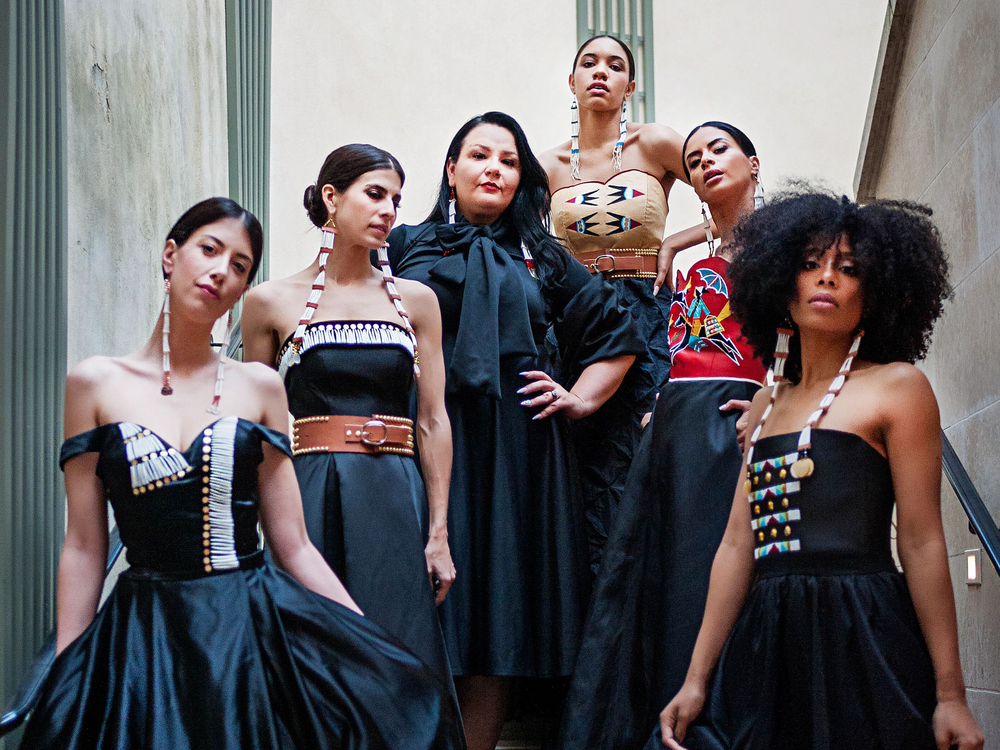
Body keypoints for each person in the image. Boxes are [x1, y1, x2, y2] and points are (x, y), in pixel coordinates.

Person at [20, 198, 464, 749]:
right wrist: (71, 665)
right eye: (209, 249)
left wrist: (365, 643)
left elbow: (294, 544)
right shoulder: (94, 383)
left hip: (246, 627)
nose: (220, 271)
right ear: (169, 255)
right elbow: (85, 547)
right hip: (145, 633)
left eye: (239, 266)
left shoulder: (260, 387)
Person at [654, 191, 984, 750]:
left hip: (865, 630)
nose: (826, 278)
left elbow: (924, 542)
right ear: (780, 285)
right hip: (769, 636)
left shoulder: (899, 388)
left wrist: (951, 694)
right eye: (809, 264)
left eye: (847, 268)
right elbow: (737, 545)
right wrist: (695, 680)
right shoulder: (765, 402)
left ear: (874, 290)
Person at [386, 111, 643, 750]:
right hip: (424, 445)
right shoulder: (403, 246)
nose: (493, 169)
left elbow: (620, 332)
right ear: (452, 170)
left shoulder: (544, 258)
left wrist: (581, 398)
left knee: (496, 616)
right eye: (479, 156)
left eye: (508, 161)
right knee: (414, 605)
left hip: (520, 456)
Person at [559, 122, 766, 750]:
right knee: (669, 575)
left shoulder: (791, 246)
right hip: (674, 420)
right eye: (695, 158)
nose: (704, 163)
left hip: (737, 421)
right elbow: (686, 346)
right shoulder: (695, 265)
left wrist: (777, 396)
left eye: (720, 151)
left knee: (726, 563)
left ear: (754, 163)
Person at [241, 144, 459, 698]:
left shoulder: (417, 302)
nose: (388, 209)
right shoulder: (269, 302)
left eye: (396, 199)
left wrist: (438, 534)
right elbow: (252, 431)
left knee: (398, 655)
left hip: (394, 493)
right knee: (310, 656)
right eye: (375, 194)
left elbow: (433, 420)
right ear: (332, 199)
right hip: (308, 493)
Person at [540, 36, 726, 571]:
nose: (601, 72)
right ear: (572, 81)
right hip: (577, 322)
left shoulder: (657, 143)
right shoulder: (544, 164)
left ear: (630, 85)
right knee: (586, 463)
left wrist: (676, 241)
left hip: (648, 310)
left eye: (615, 65)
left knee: (648, 448)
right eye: (588, 63)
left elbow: (734, 196)